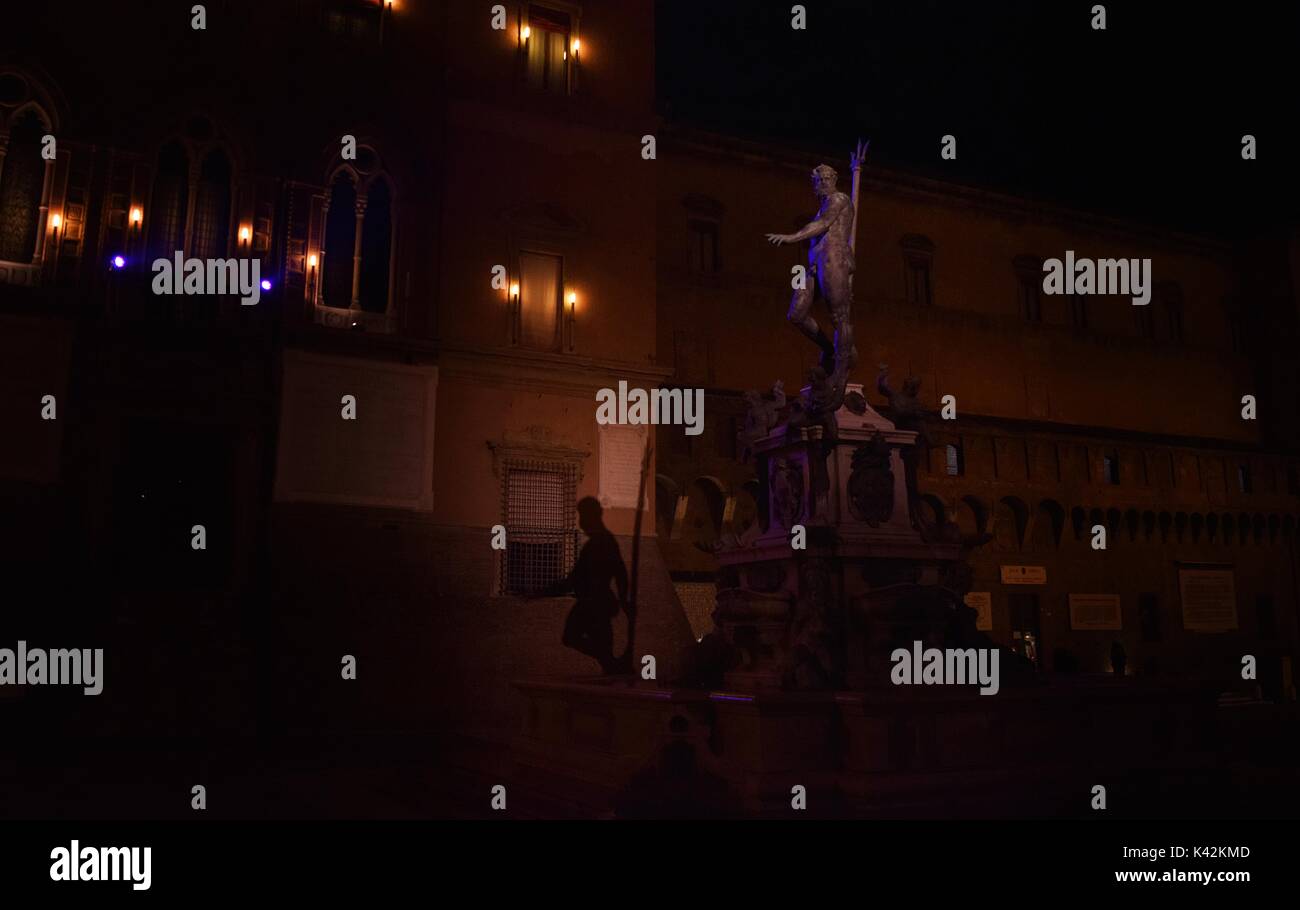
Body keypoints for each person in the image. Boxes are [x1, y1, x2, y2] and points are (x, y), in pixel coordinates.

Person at [527, 497, 631, 675]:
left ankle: (614, 666)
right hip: (596, 603)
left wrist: (539, 593)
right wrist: (623, 600)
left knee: (577, 639)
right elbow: (619, 572)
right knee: (600, 651)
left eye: (583, 516)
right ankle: (613, 665)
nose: (580, 522)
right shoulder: (604, 541)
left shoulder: (599, 543)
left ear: (594, 516)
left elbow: (616, 572)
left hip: (593, 605)